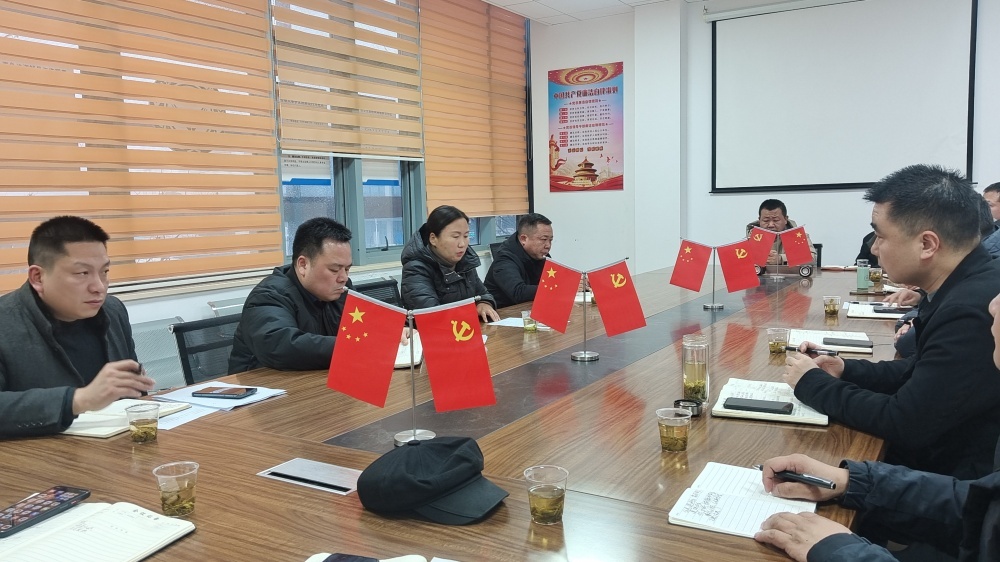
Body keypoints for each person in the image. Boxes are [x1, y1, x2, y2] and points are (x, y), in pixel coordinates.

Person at [785, 165, 1000, 481]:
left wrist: (813, 385)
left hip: (950, 483)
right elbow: (920, 369)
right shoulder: (965, 282)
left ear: (927, 244)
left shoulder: (971, 309)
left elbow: (907, 421)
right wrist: (845, 369)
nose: (874, 248)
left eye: (881, 236)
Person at [754, 289, 1000, 562]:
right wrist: (852, 482)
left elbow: (906, 418)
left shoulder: (969, 305)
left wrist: (840, 551)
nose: (993, 303)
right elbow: (980, 504)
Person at [0, 216, 155, 438]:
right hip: (36, 455)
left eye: (104, 272)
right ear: (38, 277)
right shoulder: (6, 322)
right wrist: (78, 400)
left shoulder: (113, 310)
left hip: (117, 448)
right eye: (82, 273)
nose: (99, 287)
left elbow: (132, 394)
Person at [229, 217, 357, 373]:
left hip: (318, 378)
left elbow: (364, 330)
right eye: (334, 270)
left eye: (347, 269)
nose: (343, 278)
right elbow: (282, 345)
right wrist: (353, 347)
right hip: (263, 384)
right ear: (303, 265)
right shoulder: (268, 296)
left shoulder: (343, 290)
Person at [400, 205, 499, 322]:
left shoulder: (465, 262)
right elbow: (432, 316)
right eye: (455, 236)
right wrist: (472, 310)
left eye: (466, 236)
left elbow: (483, 294)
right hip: (433, 332)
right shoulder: (415, 269)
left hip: (465, 329)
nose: (462, 244)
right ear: (433, 239)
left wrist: (484, 303)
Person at [483, 213, 553, 309]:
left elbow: (551, 281)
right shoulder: (504, 259)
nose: (548, 245)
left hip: (530, 309)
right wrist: (555, 288)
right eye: (543, 239)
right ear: (523, 239)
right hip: (503, 313)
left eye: (550, 240)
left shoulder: (541, 255)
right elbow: (518, 292)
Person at [746, 199, 816, 265]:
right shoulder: (752, 237)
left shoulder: (797, 236)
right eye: (766, 221)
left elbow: (811, 258)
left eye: (776, 220)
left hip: (789, 274)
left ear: (785, 219)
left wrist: (781, 259)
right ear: (759, 220)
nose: (771, 225)